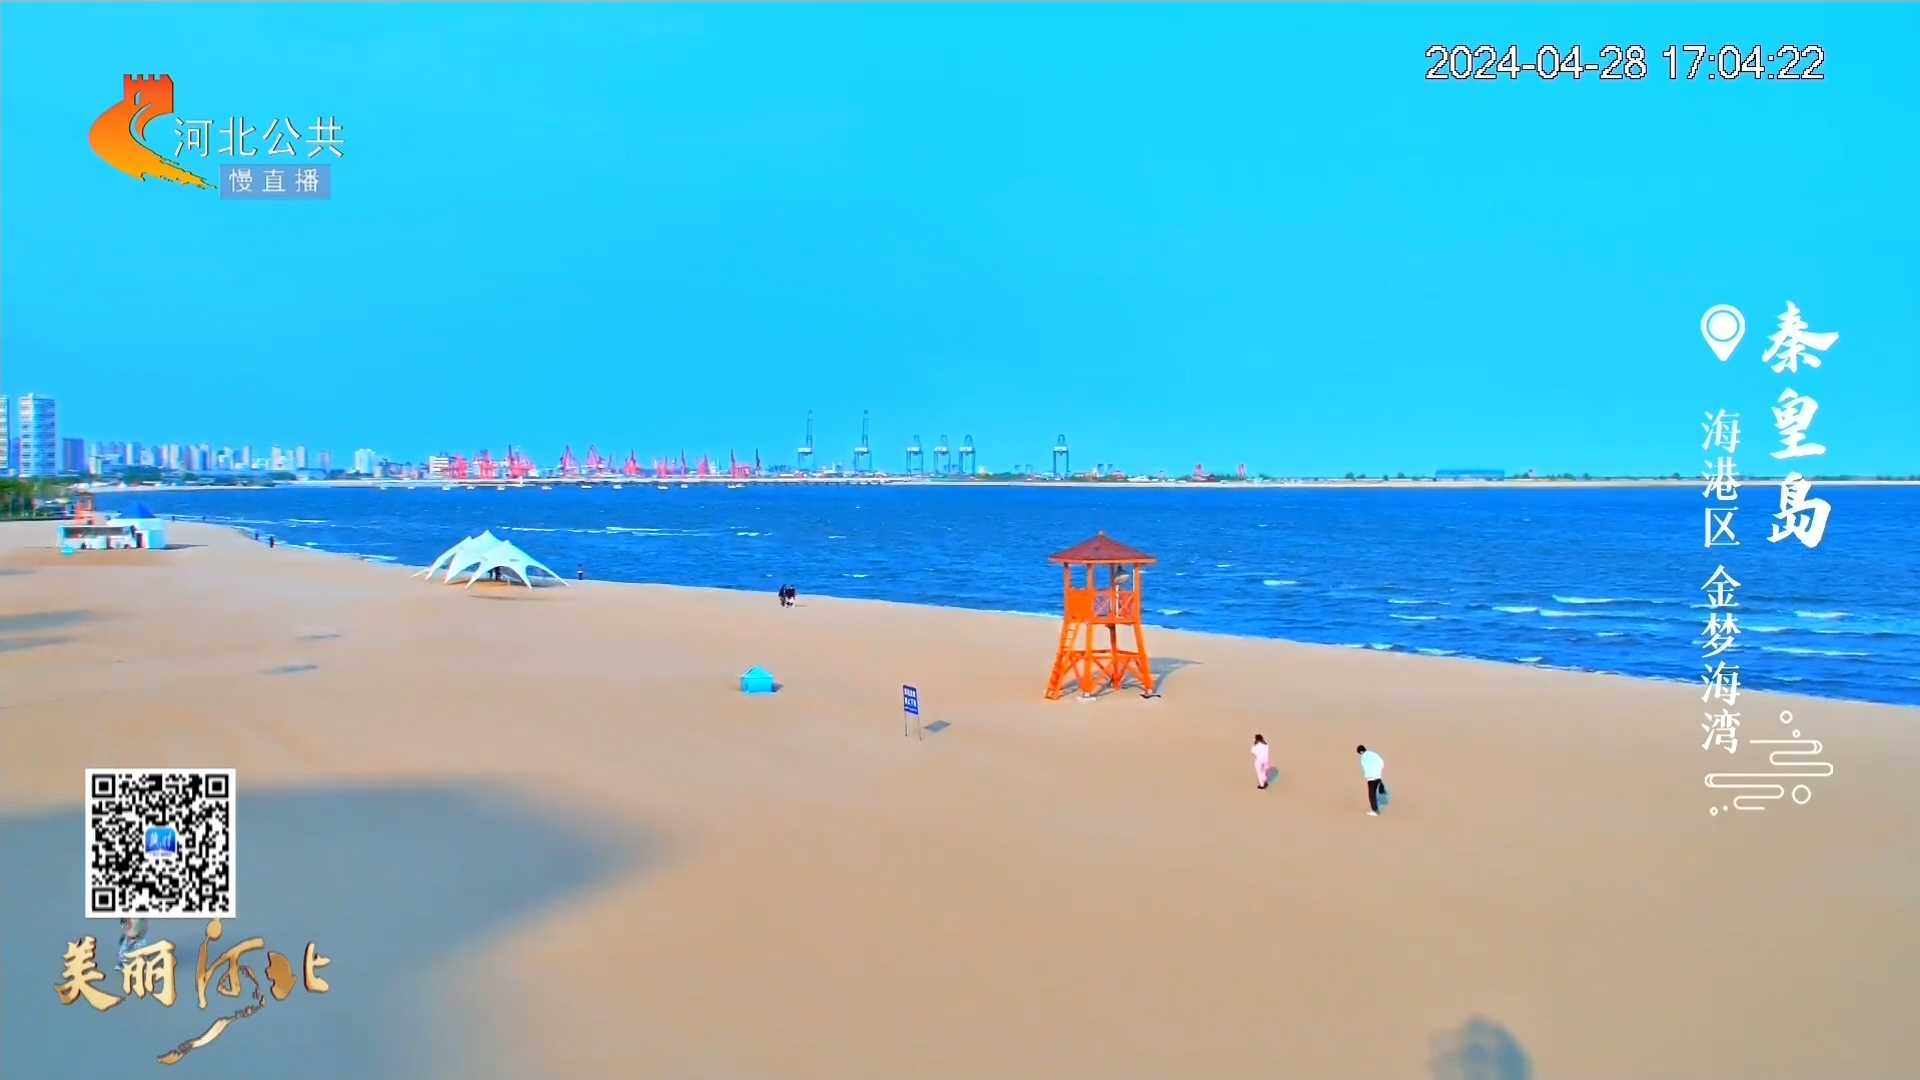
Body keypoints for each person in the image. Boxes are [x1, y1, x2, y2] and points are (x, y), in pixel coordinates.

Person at [1357, 744, 1385, 816]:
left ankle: (1375, 811)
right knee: (1376, 793)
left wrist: (1368, 775)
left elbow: (1364, 767)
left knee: (1372, 795)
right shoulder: (1374, 754)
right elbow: (1382, 763)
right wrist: (1378, 772)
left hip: (1371, 778)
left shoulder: (1363, 757)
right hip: (1378, 777)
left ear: (1361, 752)